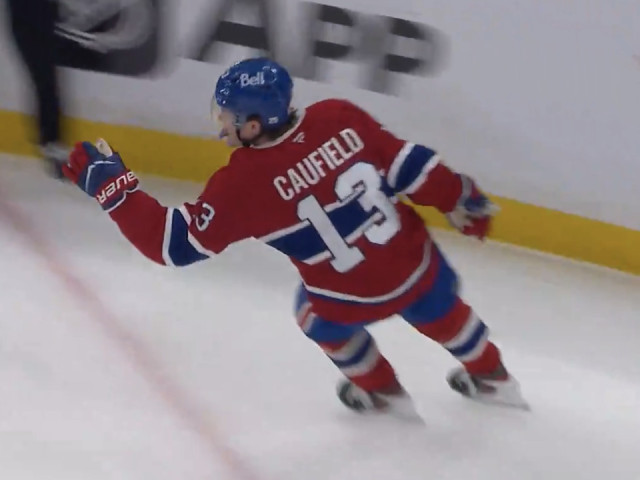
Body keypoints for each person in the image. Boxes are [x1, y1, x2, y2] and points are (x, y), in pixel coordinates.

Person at [61, 57, 527, 413]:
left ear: (254, 124)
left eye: (227, 116)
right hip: (414, 262)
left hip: (346, 297)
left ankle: (381, 391)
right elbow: (415, 168)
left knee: (311, 313)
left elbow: (171, 245)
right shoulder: (339, 115)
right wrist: (463, 198)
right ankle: (493, 376)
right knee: (437, 303)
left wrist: (115, 191)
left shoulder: (241, 185)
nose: (221, 123)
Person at [5, 0, 67, 178]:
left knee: (47, 83)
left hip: (42, 20)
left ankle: (51, 142)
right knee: (45, 82)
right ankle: (51, 142)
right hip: (27, 22)